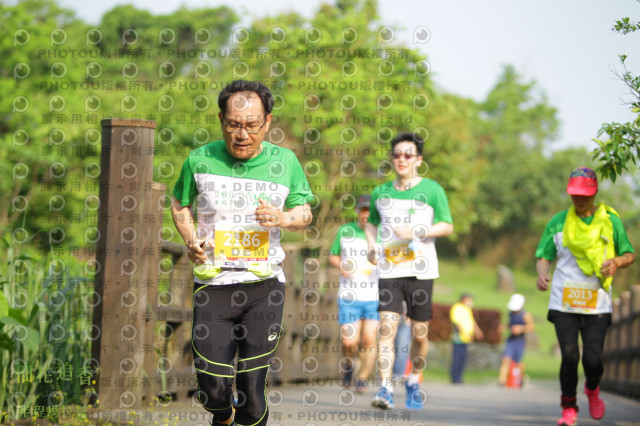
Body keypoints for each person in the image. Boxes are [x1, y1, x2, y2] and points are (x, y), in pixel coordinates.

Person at [171, 80, 313, 426]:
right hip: (213, 284)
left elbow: (305, 213)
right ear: (221, 120)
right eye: (233, 124)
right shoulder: (199, 159)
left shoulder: (286, 162)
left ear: (267, 122)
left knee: (251, 389)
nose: (242, 134)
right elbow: (179, 203)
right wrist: (191, 239)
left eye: (251, 125)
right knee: (211, 387)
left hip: (263, 287)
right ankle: (221, 416)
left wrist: (282, 217)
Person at [535, 167, 634, 426]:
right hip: (563, 301)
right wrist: (542, 274)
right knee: (569, 356)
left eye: (585, 195)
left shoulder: (611, 221)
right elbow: (544, 255)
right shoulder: (558, 221)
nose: (579, 200)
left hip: (597, 301)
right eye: (575, 195)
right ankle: (569, 407)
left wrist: (617, 262)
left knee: (593, 359)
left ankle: (592, 388)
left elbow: (629, 254)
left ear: (595, 193)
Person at [365, 132, 454, 410]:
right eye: (397, 154)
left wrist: (420, 230)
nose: (401, 159)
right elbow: (370, 223)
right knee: (387, 329)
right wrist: (371, 244)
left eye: (407, 154)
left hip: (421, 271)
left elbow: (447, 225)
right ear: (392, 158)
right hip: (390, 270)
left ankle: (414, 379)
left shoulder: (433, 190)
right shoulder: (381, 192)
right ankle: (385, 388)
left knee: (419, 334)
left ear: (418, 160)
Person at [328, 194, 379, 394]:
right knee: (349, 341)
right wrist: (340, 265)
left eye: (370, 211)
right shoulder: (345, 230)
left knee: (368, 339)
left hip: (374, 295)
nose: (366, 214)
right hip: (349, 294)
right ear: (358, 211)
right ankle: (349, 365)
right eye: (363, 210)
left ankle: (363, 378)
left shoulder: (382, 234)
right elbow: (333, 254)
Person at [498, 293, 535, 386]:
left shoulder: (525, 315)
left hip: (520, 341)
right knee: (506, 359)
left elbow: (531, 327)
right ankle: (502, 380)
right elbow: (510, 323)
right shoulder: (510, 313)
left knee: (518, 362)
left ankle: (522, 378)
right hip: (511, 340)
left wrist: (521, 328)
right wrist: (504, 326)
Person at [449, 293, 483, 384]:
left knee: (463, 359)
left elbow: (472, 321)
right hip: (459, 337)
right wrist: (463, 332)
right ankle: (455, 378)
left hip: (467, 338)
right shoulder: (457, 307)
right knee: (457, 358)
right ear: (464, 299)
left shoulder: (467, 309)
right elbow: (456, 322)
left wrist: (477, 331)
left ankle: (459, 377)